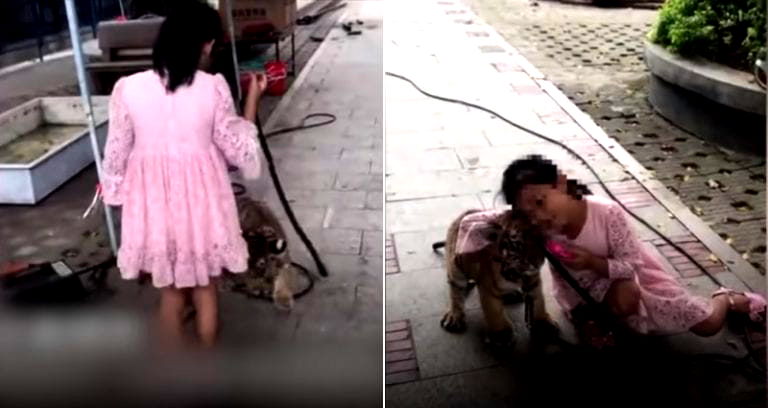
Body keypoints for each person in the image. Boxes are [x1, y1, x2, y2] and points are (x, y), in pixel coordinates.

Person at [101, 1, 267, 349]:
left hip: (155, 208)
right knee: (206, 289)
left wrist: (116, 193)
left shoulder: (127, 88)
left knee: (172, 296)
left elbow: (115, 153)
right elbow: (237, 151)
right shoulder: (213, 87)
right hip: (204, 207)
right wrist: (253, 98)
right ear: (206, 44)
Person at [500, 154, 766, 339]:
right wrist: (581, 316)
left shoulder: (607, 213)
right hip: (586, 295)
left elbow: (630, 266)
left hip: (633, 281)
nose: (539, 217)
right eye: (529, 213)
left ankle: (727, 298)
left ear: (560, 183)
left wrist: (591, 262)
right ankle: (618, 319)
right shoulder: (541, 230)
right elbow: (562, 281)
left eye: (540, 202)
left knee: (707, 325)